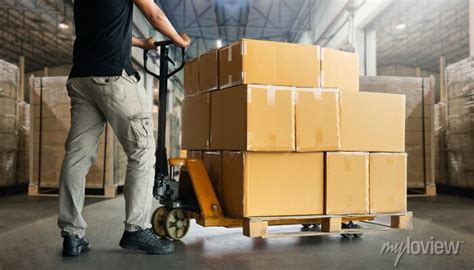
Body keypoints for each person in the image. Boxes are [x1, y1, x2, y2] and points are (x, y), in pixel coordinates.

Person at [58, 0, 190, 257]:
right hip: (111, 77)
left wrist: (142, 44)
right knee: (143, 151)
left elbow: (103, 30)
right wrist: (179, 40)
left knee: (77, 157)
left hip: (81, 79)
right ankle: (136, 229)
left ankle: (72, 234)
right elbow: (155, 14)